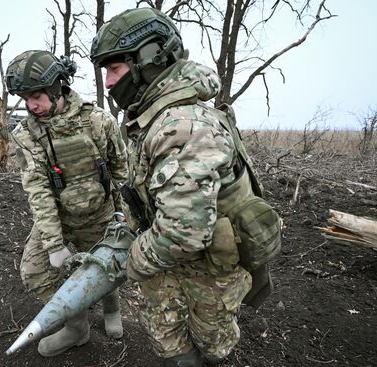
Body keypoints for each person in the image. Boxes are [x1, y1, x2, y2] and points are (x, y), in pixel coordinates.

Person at [90, 8, 262, 367]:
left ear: (148, 60)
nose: (108, 82)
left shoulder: (182, 125)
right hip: (172, 262)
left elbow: (184, 233)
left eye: (115, 69)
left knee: (212, 346)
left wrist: (132, 262)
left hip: (207, 270)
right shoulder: (156, 115)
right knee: (168, 342)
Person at [6, 50, 128, 357]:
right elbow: (38, 190)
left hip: (100, 214)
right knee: (35, 273)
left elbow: (121, 172)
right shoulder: (26, 135)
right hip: (58, 217)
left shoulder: (98, 120)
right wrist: (53, 243)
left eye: (36, 96)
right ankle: (76, 327)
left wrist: (123, 216)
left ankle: (111, 307)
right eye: (24, 98)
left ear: (57, 87)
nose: (30, 105)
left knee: (107, 269)